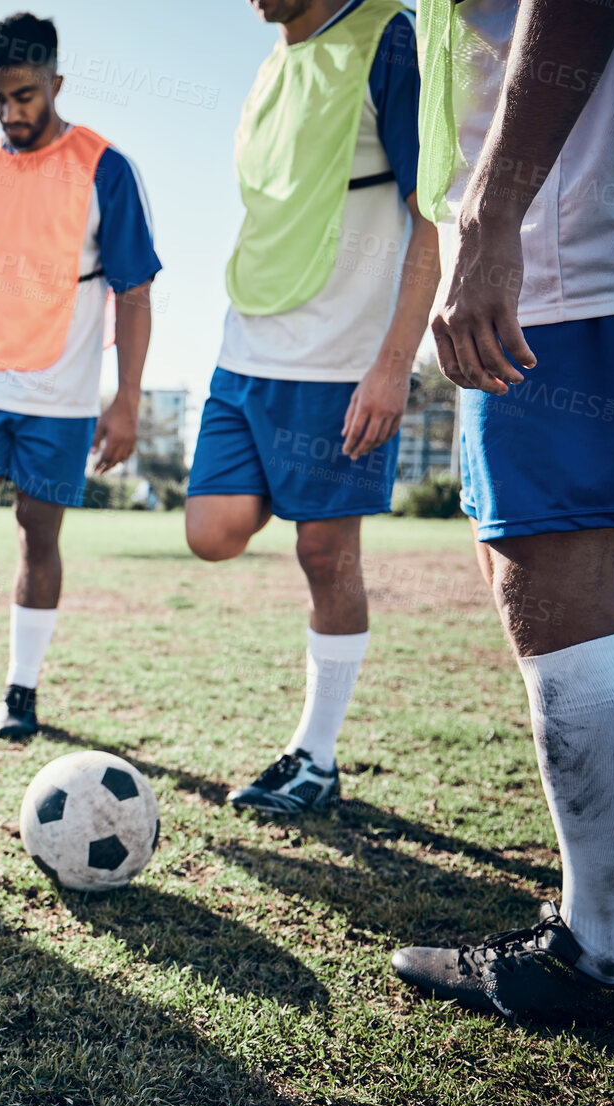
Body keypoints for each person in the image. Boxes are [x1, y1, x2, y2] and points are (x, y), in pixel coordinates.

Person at [388, 0, 614, 1027]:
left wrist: (491, 214)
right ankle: (600, 931)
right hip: (599, 231)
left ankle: (600, 951)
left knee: (545, 572)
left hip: (577, 241)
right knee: (523, 566)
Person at [186, 0, 439, 815]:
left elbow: (429, 211)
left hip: (340, 364)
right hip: (245, 351)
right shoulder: (269, 65)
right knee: (212, 531)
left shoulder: (387, 39)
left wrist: (394, 364)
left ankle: (316, 757)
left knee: (325, 556)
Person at [0, 12, 161, 741]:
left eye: (24, 95)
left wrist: (125, 401)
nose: (10, 111)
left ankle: (20, 692)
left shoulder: (105, 167)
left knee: (37, 535)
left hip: (59, 399)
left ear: (54, 83)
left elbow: (135, 291)